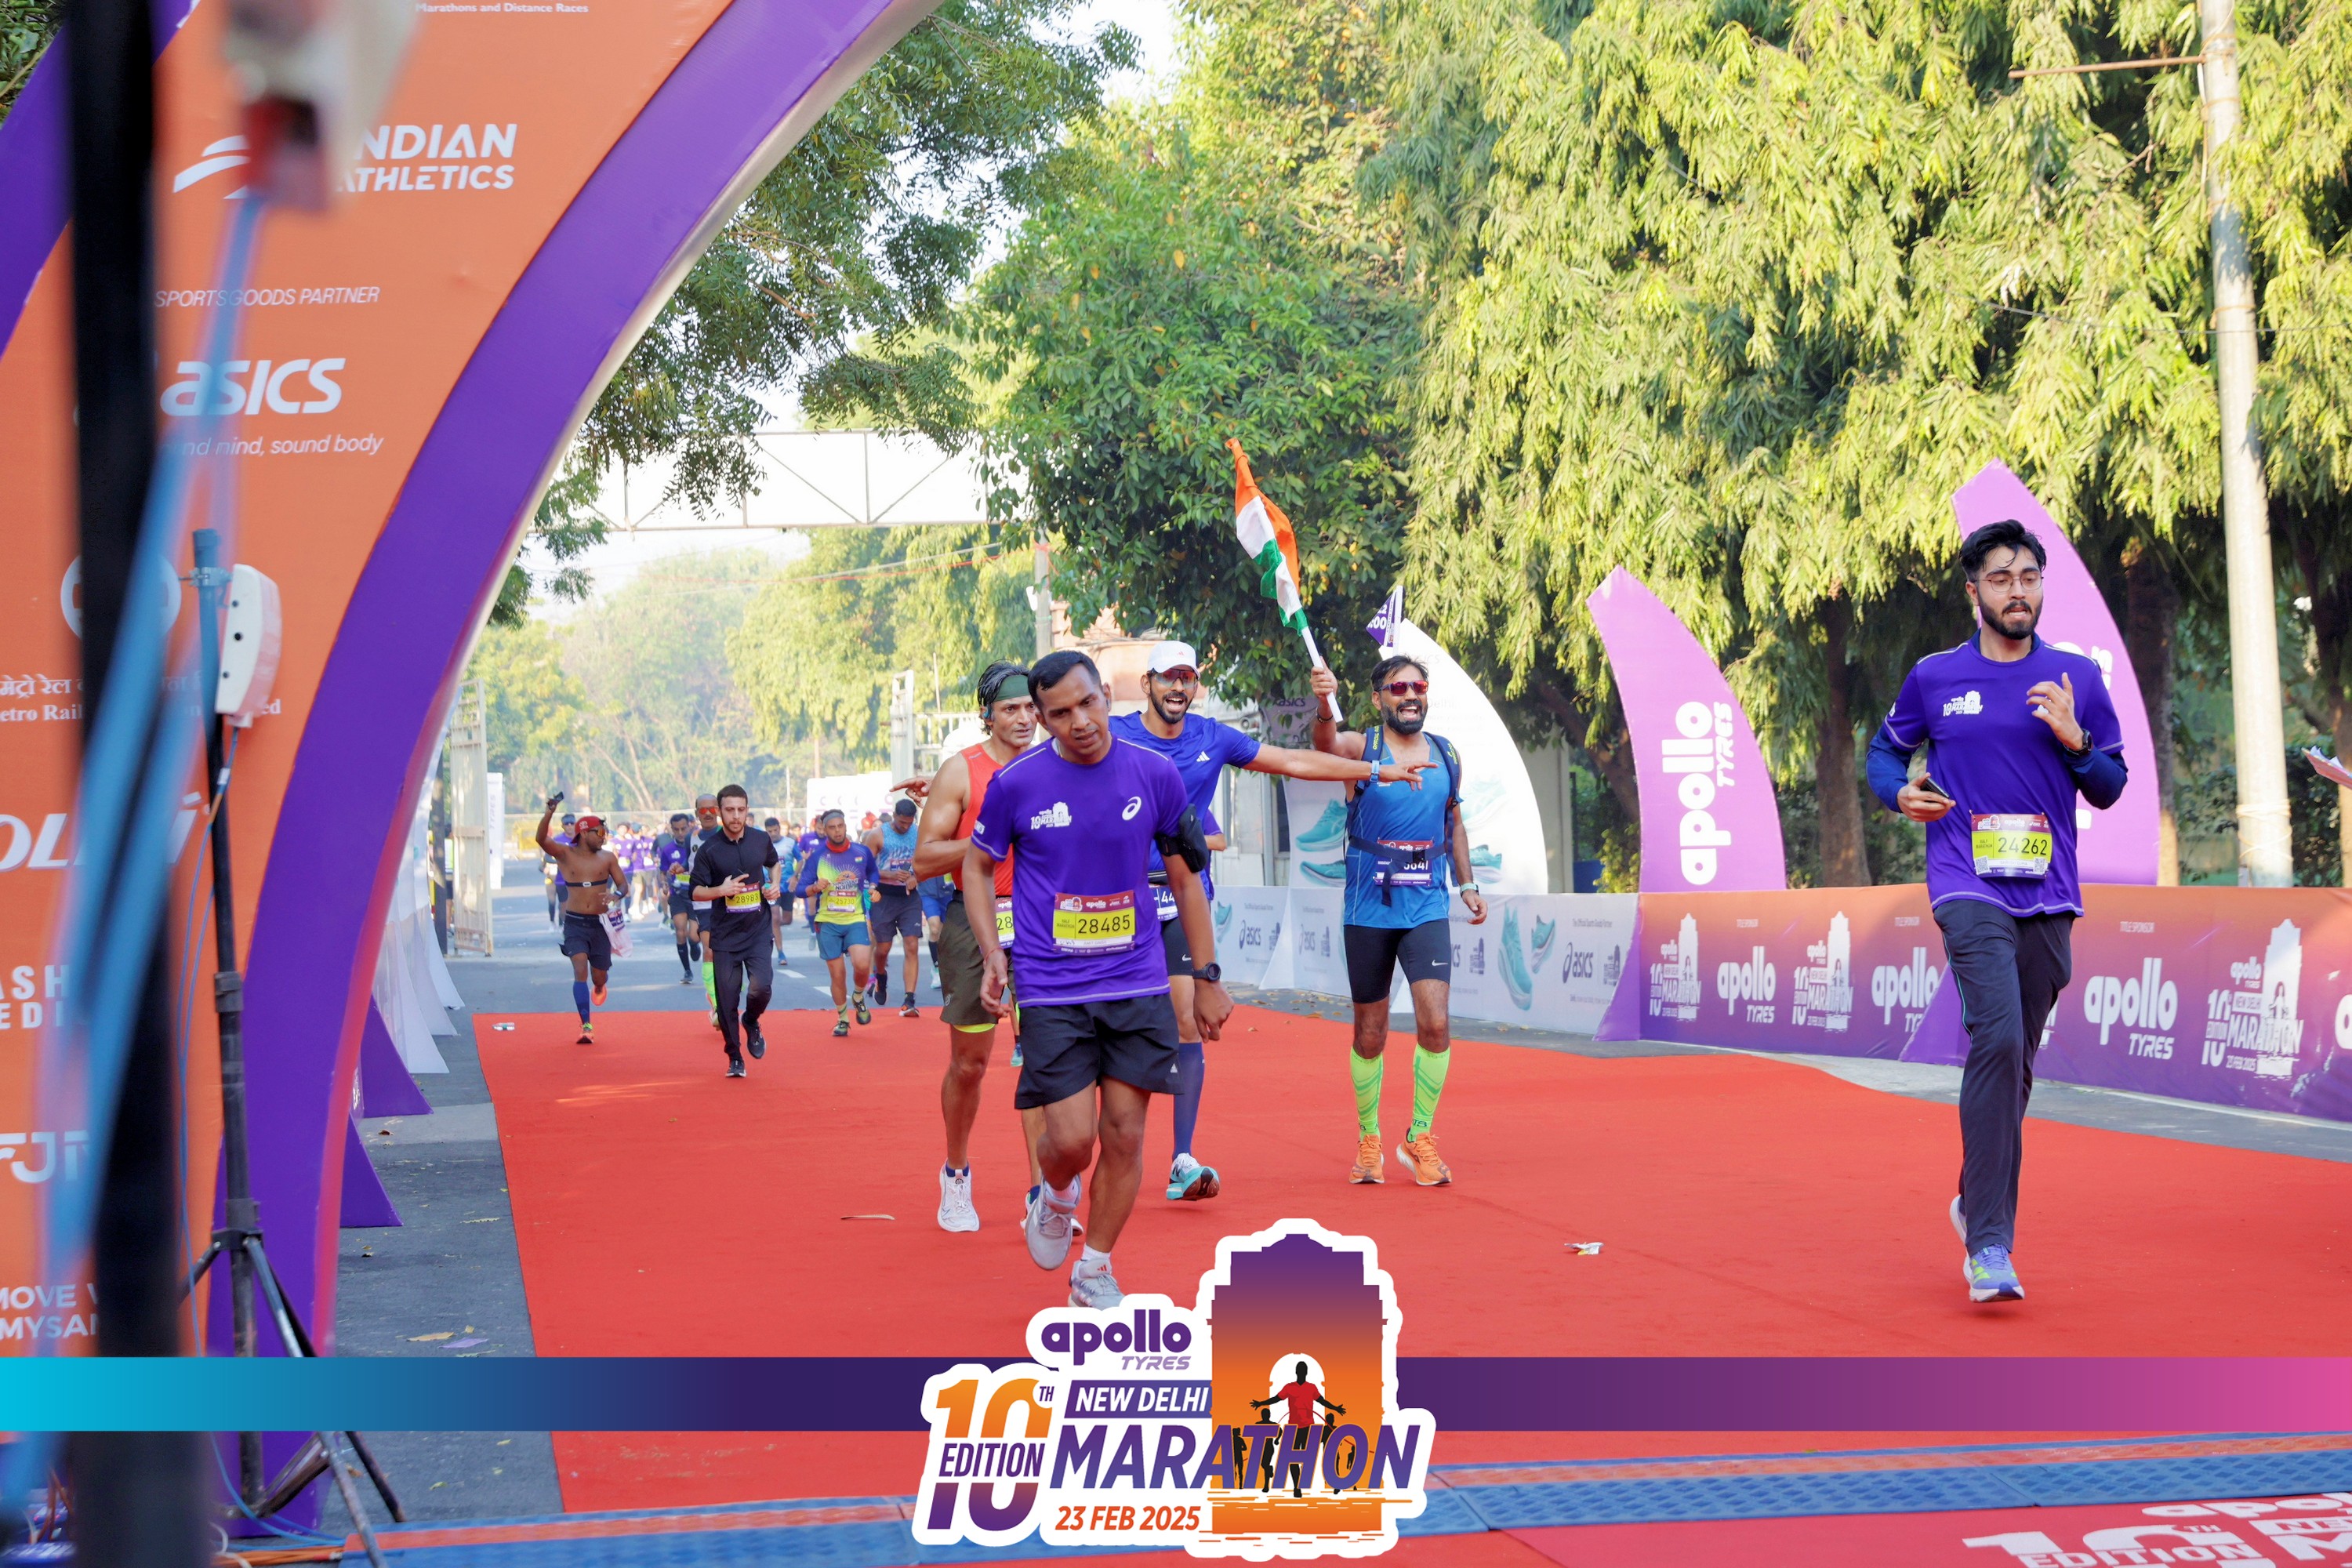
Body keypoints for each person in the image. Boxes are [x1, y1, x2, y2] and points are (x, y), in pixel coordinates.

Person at [1867, 517, 2126, 1305]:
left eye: (2030, 578)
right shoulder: (1936, 677)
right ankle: (1989, 1245)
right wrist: (1899, 792)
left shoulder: (2075, 677)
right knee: (1999, 1035)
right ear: (1973, 590)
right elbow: (1885, 752)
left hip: (2049, 893)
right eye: (2003, 578)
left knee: (2015, 1064)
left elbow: (2110, 786)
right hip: (1965, 880)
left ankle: (1972, 1196)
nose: (2019, 592)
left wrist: (2077, 740)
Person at [1112, 640, 1436, 1203]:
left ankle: (1182, 1159)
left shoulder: (1213, 737)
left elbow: (1292, 760)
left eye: (1187, 678)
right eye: (1168, 678)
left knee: (1186, 1021)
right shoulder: (1115, 734)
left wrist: (1374, 769)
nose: (1178, 688)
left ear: (1196, 686)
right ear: (1148, 684)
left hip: (1183, 899)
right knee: (1112, 1027)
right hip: (1117, 900)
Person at [967, 649, 1234, 1309]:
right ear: (1042, 719)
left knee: (1125, 1134)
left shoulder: (1155, 773)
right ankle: (1057, 1194)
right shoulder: (1016, 784)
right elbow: (977, 865)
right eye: (1060, 713)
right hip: (1052, 988)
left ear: (1107, 695)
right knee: (1070, 1142)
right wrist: (992, 952)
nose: (1080, 722)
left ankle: (1094, 1269)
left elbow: (1186, 881)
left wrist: (1206, 976)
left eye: (1088, 703)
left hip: (1136, 981)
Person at [1308, 655, 1485, 1188]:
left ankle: (1419, 1135)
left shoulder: (1446, 754)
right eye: (1398, 687)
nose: (1410, 695)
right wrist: (1324, 703)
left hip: (1426, 906)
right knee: (1371, 1032)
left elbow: (1453, 823)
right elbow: (1324, 746)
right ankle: (1370, 1140)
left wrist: (1468, 884)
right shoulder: (1362, 749)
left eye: (1418, 686)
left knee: (1435, 1022)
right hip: (1368, 910)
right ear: (1378, 698)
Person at [912, 662, 1041, 1233]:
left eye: (1031, 707)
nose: (1024, 718)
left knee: (1044, 1058)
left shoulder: (1057, 763)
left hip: (1043, 923)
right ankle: (957, 1173)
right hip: (974, 917)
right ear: (987, 714)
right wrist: (988, 840)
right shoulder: (961, 770)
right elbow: (924, 860)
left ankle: (1042, 1193)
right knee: (971, 1064)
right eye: (1011, 709)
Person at [689, 785, 781, 1078]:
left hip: (757, 930)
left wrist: (774, 885)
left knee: (761, 987)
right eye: (730, 810)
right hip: (726, 936)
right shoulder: (709, 850)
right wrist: (721, 890)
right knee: (727, 1001)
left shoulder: (760, 839)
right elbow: (695, 891)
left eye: (741, 810)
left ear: (747, 809)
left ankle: (751, 1020)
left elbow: (774, 863)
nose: (736, 816)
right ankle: (735, 1057)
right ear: (720, 812)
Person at [535, 799, 630, 1045]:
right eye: (600, 833)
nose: (603, 837)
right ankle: (586, 1025)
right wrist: (549, 813)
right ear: (584, 833)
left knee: (599, 977)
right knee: (579, 969)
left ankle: (599, 987)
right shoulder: (565, 854)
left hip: (600, 924)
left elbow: (623, 885)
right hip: (575, 923)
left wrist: (616, 895)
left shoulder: (608, 858)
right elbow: (541, 840)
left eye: (605, 833)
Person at [792, 808, 879, 1036]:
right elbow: (800, 889)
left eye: (840, 826)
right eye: (832, 827)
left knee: (862, 964)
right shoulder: (818, 856)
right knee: (838, 974)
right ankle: (842, 1019)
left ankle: (858, 996)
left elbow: (873, 873)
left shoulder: (861, 851)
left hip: (855, 918)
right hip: (828, 922)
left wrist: (873, 887)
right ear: (824, 830)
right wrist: (814, 887)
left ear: (846, 826)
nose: (837, 831)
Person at [865, 797, 925, 1017]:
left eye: (909, 823)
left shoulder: (919, 833)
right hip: (884, 896)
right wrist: (888, 875)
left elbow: (927, 862)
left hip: (909, 897)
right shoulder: (878, 835)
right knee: (883, 948)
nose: (905, 827)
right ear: (894, 816)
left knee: (912, 945)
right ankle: (880, 975)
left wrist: (916, 877)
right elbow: (865, 867)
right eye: (901, 823)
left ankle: (909, 1000)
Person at [1249, 1360, 1346, 1497]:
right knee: (1292, 1459)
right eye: (1300, 1370)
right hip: (1293, 1429)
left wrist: (1335, 1408)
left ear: (1306, 1372)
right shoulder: (1289, 1387)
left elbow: (1322, 1401)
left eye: (1303, 1370)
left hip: (1309, 1428)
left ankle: (1333, 1482)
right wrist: (1261, 1403)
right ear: (1297, 1372)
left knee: (1309, 1458)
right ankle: (1297, 1487)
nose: (1301, 1372)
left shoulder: (1311, 1388)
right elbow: (1276, 1399)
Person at [658, 812, 699, 983]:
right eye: (676, 830)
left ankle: (694, 944)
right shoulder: (668, 850)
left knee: (694, 935)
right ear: (671, 830)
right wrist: (664, 884)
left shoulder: (698, 845)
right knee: (680, 932)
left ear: (690, 826)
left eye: (683, 829)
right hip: (678, 895)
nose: (680, 833)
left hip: (697, 895)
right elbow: (663, 872)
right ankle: (687, 971)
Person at [764, 815, 793, 969]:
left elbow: (801, 859)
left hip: (787, 886)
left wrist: (795, 876)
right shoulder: (762, 844)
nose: (773, 834)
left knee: (787, 920)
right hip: (771, 886)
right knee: (775, 917)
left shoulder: (790, 843)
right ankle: (781, 953)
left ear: (779, 829)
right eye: (770, 831)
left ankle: (769, 926)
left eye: (775, 830)